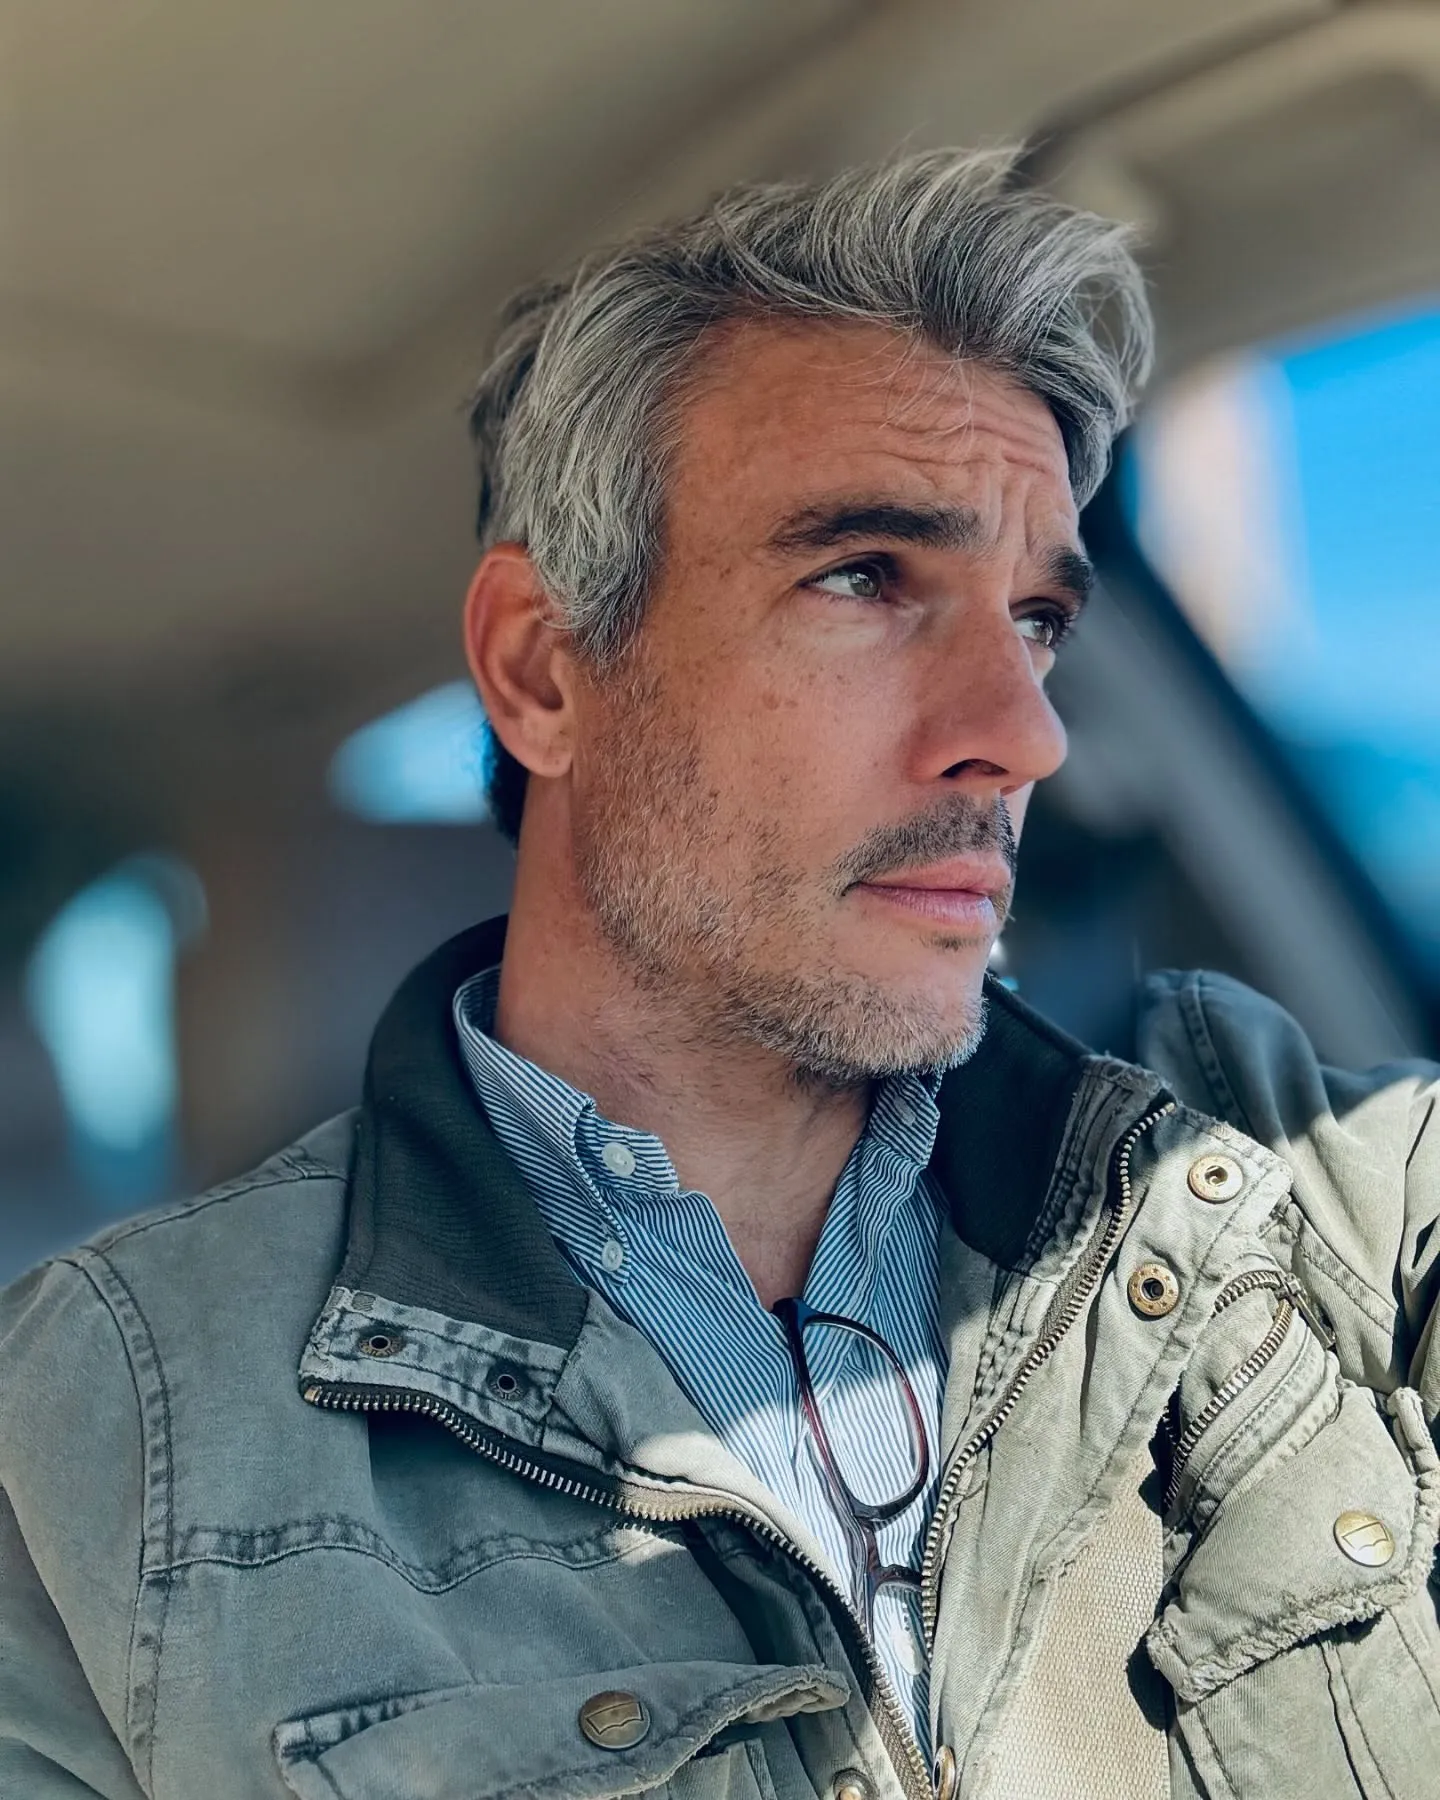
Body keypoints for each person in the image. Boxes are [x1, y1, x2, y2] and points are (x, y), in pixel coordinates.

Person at [1, 148, 1437, 1800]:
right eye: (866, 579)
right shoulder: (104, 1427)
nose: (1025, 730)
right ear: (545, 672)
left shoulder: (1274, 1167)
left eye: (1038, 615)